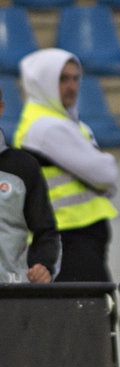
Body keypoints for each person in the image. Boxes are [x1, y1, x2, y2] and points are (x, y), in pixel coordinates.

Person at [14, 48, 118, 282]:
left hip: (76, 236)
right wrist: (107, 163)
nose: (72, 86)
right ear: (44, 82)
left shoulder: (61, 121)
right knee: (88, 313)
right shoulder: (47, 127)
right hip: (69, 239)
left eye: (75, 78)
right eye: (62, 79)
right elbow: (106, 173)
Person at [0, 83, 61, 284]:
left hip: (12, 297)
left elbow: (46, 232)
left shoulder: (23, 168)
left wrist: (44, 267)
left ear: (0, 108)